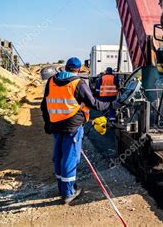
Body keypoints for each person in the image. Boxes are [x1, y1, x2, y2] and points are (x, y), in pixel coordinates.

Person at [41, 57, 113, 205]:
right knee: (70, 158)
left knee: (58, 157)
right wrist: (111, 104)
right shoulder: (78, 83)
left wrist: (47, 123)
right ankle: (68, 193)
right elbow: (94, 104)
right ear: (79, 69)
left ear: (66, 67)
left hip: (56, 125)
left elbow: (44, 105)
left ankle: (63, 187)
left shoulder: (51, 81)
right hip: (72, 127)